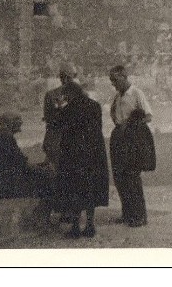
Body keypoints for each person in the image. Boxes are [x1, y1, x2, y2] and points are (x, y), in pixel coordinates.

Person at [49, 80, 110, 238]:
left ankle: (75, 226)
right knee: (90, 189)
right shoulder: (95, 105)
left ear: (70, 93)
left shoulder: (69, 108)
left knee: (74, 190)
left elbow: (57, 124)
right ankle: (90, 225)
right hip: (93, 153)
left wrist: (59, 106)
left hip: (74, 155)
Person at [108, 65, 154, 227]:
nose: (113, 83)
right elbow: (114, 115)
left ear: (124, 76)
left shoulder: (136, 93)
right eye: (111, 81)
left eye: (115, 79)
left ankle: (140, 215)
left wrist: (132, 124)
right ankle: (127, 213)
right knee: (120, 177)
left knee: (132, 177)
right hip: (120, 138)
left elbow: (148, 116)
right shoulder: (117, 97)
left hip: (133, 139)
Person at [0, 112, 51, 199]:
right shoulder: (6, 138)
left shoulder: (0, 137)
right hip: (7, 184)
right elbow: (21, 163)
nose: (21, 123)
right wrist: (41, 169)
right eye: (18, 121)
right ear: (11, 123)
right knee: (47, 179)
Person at [42, 62, 79, 171]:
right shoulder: (52, 95)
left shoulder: (51, 94)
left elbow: (48, 119)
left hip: (61, 140)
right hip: (60, 141)